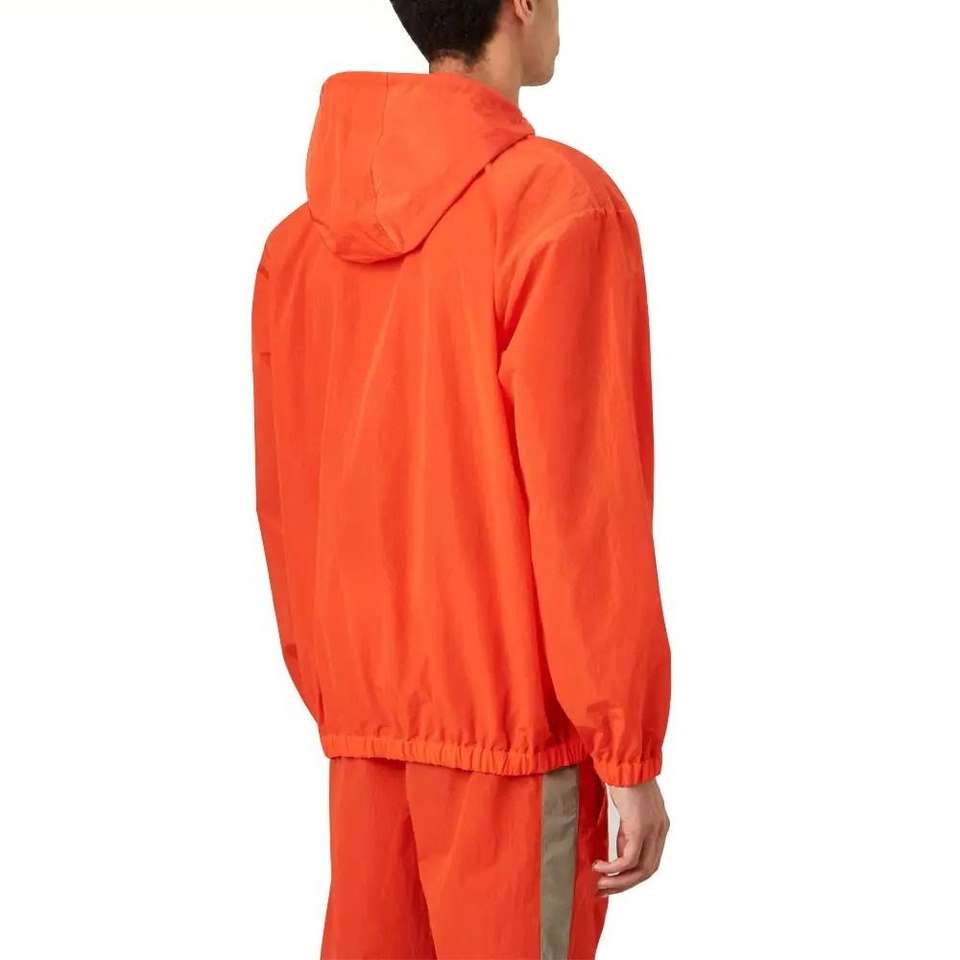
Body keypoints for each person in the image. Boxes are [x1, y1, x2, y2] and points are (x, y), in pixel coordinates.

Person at [252, 1, 672, 956]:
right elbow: (586, 504)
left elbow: (289, 501)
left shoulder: (299, 244)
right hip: (514, 739)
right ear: (519, 3)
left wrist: (347, 694)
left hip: (367, 732)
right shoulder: (557, 207)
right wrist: (628, 746)